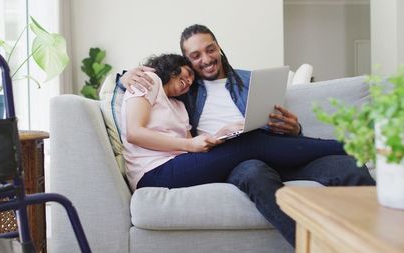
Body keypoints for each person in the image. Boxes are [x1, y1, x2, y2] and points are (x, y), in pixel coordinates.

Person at [117, 25, 375, 247]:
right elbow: (144, 90)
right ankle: (316, 246)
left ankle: (380, 241)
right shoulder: (186, 91)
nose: (205, 59)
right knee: (252, 167)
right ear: (185, 62)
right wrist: (124, 77)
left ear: (219, 48)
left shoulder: (250, 79)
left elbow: (276, 121)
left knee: (349, 166)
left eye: (210, 49)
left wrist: (295, 130)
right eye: (195, 56)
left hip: (275, 149)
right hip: (237, 160)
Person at [122, 53, 348, 193]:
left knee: (244, 137)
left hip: (179, 166)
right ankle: (346, 146)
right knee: (251, 142)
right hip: (152, 174)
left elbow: (191, 146)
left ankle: (342, 150)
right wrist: (190, 146)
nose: (189, 80)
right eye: (186, 73)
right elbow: (134, 132)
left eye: (192, 78)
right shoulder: (148, 80)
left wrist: (224, 132)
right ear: (170, 66)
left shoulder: (180, 107)